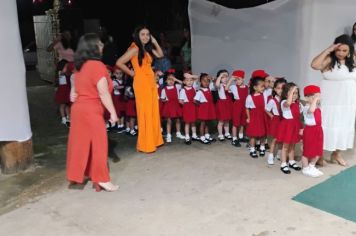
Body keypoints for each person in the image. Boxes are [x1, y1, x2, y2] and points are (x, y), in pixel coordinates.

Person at [66, 33, 119, 192]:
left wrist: (73, 92)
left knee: (79, 143)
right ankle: (102, 178)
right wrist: (113, 113)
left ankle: (81, 174)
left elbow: (74, 82)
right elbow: (103, 93)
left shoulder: (79, 65)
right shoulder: (97, 65)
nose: (102, 46)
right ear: (93, 47)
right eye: (100, 44)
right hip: (91, 110)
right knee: (99, 144)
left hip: (78, 110)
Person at [116, 25, 164, 153]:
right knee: (145, 112)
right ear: (137, 35)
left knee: (153, 111)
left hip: (151, 82)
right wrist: (132, 74)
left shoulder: (146, 48)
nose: (145, 37)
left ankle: (154, 140)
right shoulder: (135, 48)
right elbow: (119, 62)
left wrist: (154, 42)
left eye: (148, 34)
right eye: (143, 34)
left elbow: (160, 54)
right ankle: (146, 144)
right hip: (142, 83)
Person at [311, 34, 356, 166]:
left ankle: (336, 154)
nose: (341, 53)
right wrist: (328, 50)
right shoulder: (329, 61)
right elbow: (314, 65)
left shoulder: (353, 61)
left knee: (344, 126)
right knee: (325, 127)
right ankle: (318, 155)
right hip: (330, 102)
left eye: (344, 50)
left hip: (348, 102)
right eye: (338, 49)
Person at [276, 83, 302, 174]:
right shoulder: (284, 102)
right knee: (285, 146)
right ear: (286, 94)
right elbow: (288, 103)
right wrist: (291, 92)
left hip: (295, 126)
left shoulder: (298, 104)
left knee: (292, 145)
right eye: (292, 93)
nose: (294, 95)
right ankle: (283, 163)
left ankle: (291, 161)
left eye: (296, 93)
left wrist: (301, 128)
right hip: (287, 127)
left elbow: (299, 117)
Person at [301, 85, 324, 177]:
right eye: (314, 97)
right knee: (307, 151)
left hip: (318, 130)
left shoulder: (317, 107)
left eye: (318, 97)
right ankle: (305, 168)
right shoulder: (306, 107)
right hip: (310, 131)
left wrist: (315, 100)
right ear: (306, 98)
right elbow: (311, 110)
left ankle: (312, 166)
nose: (317, 99)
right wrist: (314, 101)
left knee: (318, 150)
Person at [265, 78, 286, 165]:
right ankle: (270, 155)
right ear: (274, 89)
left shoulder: (286, 100)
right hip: (276, 121)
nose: (280, 90)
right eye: (278, 88)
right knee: (275, 139)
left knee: (282, 139)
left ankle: (279, 154)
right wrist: (272, 116)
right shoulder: (272, 100)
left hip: (284, 121)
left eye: (283, 88)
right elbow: (266, 109)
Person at [245, 77, 268, 158]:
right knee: (253, 135)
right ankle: (252, 149)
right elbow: (247, 108)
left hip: (262, 116)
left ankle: (262, 147)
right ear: (255, 87)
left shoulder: (263, 94)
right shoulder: (250, 97)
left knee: (263, 133)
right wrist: (248, 118)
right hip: (254, 117)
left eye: (264, 86)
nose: (263, 88)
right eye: (261, 86)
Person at [160, 69, 184, 143]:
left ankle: (178, 133)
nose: (171, 81)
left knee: (178, 120)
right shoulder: (164, 89)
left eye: (172, 79)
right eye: (169, 79)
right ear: (165, 81)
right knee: (169, 121)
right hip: (169, 106)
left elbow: (183, 83)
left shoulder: (177, 86)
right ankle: (169, 135)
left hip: (176, 105)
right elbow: (162, 99)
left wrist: (175, 79)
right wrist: (167, 102)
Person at [227, 70, 249, 147]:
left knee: (243, 122)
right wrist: (231, 79)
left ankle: (240, 136)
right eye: (235, 80)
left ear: (243, 79)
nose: (237, 81)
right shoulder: (233, 87)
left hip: (244, 105)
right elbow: (226, 88)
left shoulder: (246, 87)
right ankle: (234, 139)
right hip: (237, 106)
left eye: (239, 79)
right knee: (235, 123)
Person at [194, 73, 216, 144]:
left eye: (207, 81)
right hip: (204, 109)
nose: (206, 82)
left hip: (209, 108)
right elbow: (195, 100)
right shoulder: (200, 91)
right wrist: (201, 105)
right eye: (204, 81)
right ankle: (202, 137)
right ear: (200, 82)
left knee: (207, 123)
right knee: (203, 123)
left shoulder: (209, 89)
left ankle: (207, 135)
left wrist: (212, 79)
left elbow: (215, 83)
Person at [179, 73, 199, 144]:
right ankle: (187, 136)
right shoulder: (183, 90)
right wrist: (186, 105)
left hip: (193, 106)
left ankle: (194, 135)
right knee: (187, 123)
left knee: (193, 122)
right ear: (184, 82)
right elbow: (180, 101)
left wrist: (191, 76)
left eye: (191, 80)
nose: (189, 82)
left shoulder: (194, 87)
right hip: (187, 107)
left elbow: (197, 78)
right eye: (187, 80)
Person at [54, 59, 73, 127]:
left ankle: (68, 117)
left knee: (67, 105)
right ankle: (63, 118)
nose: (67, 68)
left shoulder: (67, 73)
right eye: (66, 66)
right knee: (62, 106)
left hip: (67, 91)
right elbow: (63, 72)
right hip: (62, 92)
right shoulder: (61, 73)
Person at [215, 69, 233, 141]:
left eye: (226, 76)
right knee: (221, 121)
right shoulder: (219, 85)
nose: (225, 78)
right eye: (223, 77)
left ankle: (227, 133)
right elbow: (217, 84)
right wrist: (220, 76)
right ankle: (220, 134)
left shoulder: (228, 85)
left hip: (228, 104)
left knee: (227, 120)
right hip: (222, 104)